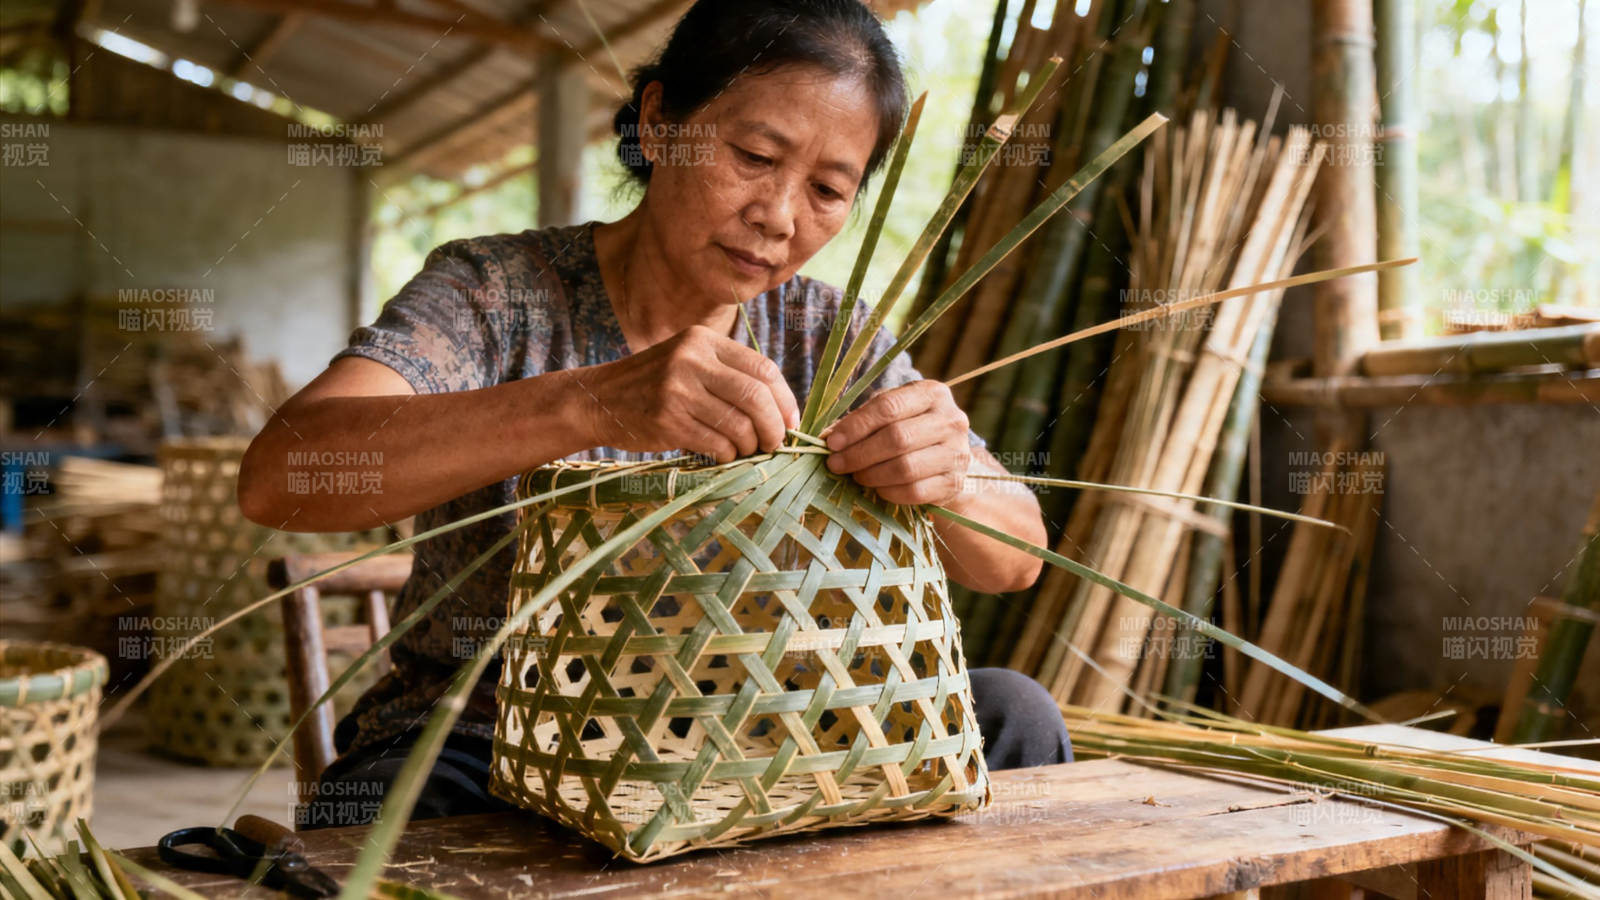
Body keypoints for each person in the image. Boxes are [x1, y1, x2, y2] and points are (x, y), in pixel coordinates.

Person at [239, 0, 1071, 830]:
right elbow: (282, 478)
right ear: (659, 121)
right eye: (753, 157)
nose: (779, 216)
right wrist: (591, 401)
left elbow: (1017, 556)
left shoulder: (828, 335)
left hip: (760, 743)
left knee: (1014, 715)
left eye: (826, 190)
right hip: (496, 747)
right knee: (398, 809)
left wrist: (950, 478)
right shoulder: (497, 295)